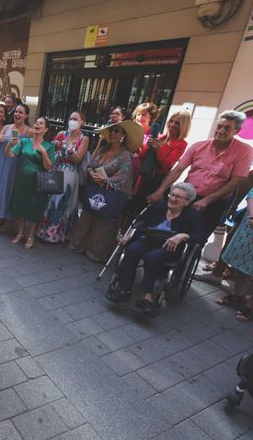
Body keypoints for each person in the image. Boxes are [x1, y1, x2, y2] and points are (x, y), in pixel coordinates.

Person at [147, 110, 253, 238]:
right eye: (219, 126)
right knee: (171, 232)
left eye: (227, 128)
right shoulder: (199, 146)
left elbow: (237, 181)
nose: (221, 131)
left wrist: (207, 200)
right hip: (187, 198)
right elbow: (178, 170)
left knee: (197, 238)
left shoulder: (244, 151)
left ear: (236, 131)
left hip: (215, 202)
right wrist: (160, 190)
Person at [108, 182, 205, 314]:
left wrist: (183, 235)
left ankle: (146, 296)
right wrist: (129, 235)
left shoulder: (191, 215)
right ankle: (124, 289)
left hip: (168, 248)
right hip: (146, 240)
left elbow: (200, 236)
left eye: (179, 197)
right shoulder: (159, 206)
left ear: (187, 202)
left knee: (152, 257)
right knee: (132, 250)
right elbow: (139, 220)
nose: (173, 199)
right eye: (172, 195)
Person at [69, 120, 141, 262]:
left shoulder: (126, 155)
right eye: (112, 131)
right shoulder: (102, 150)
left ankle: (95, 253)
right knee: (86, 219)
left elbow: (124, 177)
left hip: (109, 194)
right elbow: (90, 166)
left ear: (123, 135)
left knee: (103, 224)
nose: (113, 134)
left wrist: (106, 181)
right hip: (93, 190)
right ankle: (79, 246)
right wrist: (91, 174)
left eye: (117, 131)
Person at [38, 110, 90, 243]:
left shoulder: (84, 139)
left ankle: (57, 234)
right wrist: (56, 146)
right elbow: (52, 150)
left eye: (75, 119)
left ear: (82, 122)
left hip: (71, 173)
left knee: (63, 201)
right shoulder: (62, 134)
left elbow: (78, 159)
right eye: (71, 118)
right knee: (51, 200)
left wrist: (66, 148)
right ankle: (43, 231)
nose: (72, 121)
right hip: (58, 168)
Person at [6, 116, 56, 249]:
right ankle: (20, 232)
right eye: (36, 122)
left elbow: (49, 167)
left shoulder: (49, 146)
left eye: (41, 123)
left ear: (45, 129)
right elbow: (10, 155)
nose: (37, 124)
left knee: (34, 209)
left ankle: (30, 235)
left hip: (37, 182)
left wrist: (44, 152)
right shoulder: (24, 142)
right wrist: (10, 144)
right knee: (21, 206)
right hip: (22, 180)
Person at [0, 104, 32, 232]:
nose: (17, 114)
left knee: (10, 189)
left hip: (15, 164)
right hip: (2, 161)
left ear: (26, 115)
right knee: (0, 187)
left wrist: (19, 144)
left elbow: (30, 151)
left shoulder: (29, 131)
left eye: (21, 112)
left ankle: (8, 219)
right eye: (16, 112)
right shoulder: (7, 127)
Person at [218, 186, 253, 321]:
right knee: (242, 262)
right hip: (250, 225)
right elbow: (252, 193)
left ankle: (250, 307)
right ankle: (237, 295)